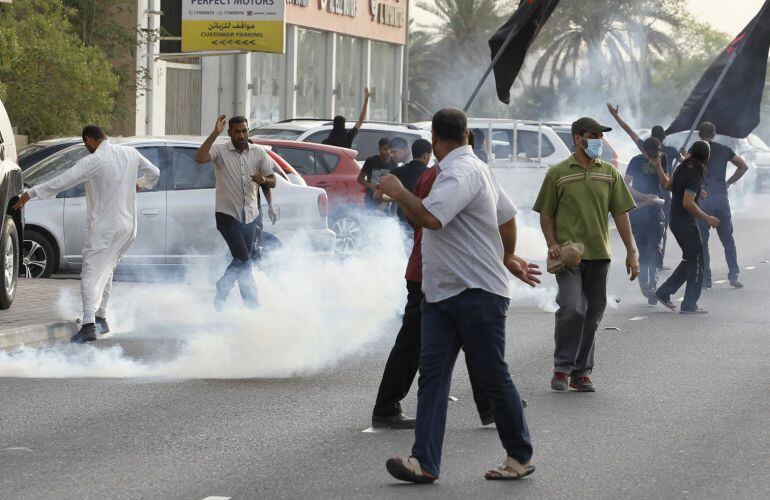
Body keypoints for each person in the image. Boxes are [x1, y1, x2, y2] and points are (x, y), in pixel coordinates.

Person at [378, 108, 540, 484]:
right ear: (467, 134)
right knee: (432, 378)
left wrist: (399, 191)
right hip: (441, 294)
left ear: (435, 140)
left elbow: (431, 219)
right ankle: (425, 462)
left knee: (492, 375)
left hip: (475, 292)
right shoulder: (477, 167)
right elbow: (507, 217)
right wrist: (508, 255)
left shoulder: (460, 172)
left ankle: (519, 456)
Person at [371, 138, 498, 430]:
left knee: (473, 338)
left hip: (444, 271)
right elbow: (427, 218)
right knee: (415, 343)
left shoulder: (453, 174)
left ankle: (491, 402)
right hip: (430, 271)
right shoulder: (443, 177)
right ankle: (387, 406)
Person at [14, 125, 159, 343]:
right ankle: (101, 317)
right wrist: (140, 184)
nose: (86, 147)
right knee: (107, 268)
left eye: (85, 144)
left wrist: (30, 194)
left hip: (105, 228)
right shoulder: (130, 153)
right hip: (128, 227)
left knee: (91, 273)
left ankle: (89, 324)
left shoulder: (93, 161)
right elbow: (154, 172)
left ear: (89, 140)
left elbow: (61, 182)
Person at [533, 117, 638, 393]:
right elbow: (546, 213)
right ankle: (562, 368)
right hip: (569, 256)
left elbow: (621, 214)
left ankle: (581, 372)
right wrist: (552, 242)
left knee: (593, 312)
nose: (599, 141)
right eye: (594, 136)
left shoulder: (609, 173)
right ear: (578, 138)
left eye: (600, 137)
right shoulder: (558, 173)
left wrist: (632, 251)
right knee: (572, 308)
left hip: (599, 254)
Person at [196, 115, 276, 310]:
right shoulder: (220, 151)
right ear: (230, 133)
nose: (242, 135)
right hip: (227, 215)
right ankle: (253, 305)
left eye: (245, 131)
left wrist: (265, 186)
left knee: (242, 260)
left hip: (251, 215)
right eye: (237, 131)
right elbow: (200, 158)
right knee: (245, 260)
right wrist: (215, 133)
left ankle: (224, 285)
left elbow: (272, 180)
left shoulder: (258, 153)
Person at [607, 104, 682, 264]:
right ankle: (654, 258)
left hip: (660, 197)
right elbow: (686, 161)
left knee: (657, 230)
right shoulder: (663, 151)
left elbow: (629, 131)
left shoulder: (657, 151)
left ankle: (654, 259)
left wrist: (616, 116)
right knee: (657, 231)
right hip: (654, 199)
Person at [654, 141, 719, 313]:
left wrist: (659, 167)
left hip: (676, 220)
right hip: (685, 222)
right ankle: (690, 304)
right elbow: (688, 203)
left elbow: (667, 186)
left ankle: (664, 292)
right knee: (698, 260)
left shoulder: (682, 168)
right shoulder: (694, 174)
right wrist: (707, 218)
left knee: (691, 259)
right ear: (706, 156)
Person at [695, 122, 749, 289]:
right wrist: (728, 183)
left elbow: (686, 167)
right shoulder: (724, 149)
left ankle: (706, 280)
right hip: (721, 201)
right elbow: (743, 166)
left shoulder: (696, 150)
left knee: (702, 242)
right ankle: (733, 275)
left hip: (703, 202)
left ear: (699, 135)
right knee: (727, 239)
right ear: (714, 133)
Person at [624, 137, 667, 304]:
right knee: (643, 250)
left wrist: (658, 168)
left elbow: (666, 185)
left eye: (657, 153)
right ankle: (644, 282)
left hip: (656, 211)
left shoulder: (662, 159)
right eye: (651, 155)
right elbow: (625, 184)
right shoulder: (636, 161)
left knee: (655, 249)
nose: (654, 157)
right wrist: (644, 197)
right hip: (639, 211)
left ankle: (654, 287)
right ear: (644, 152)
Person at [357, 137, 396, 209]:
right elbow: (360, 179)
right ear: (379, 149)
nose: (388, 152)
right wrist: (372, 186)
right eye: (385, 148)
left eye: (390, 149)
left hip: (385, 202)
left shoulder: (393, 163)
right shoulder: (371, 161)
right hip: (370, 200)